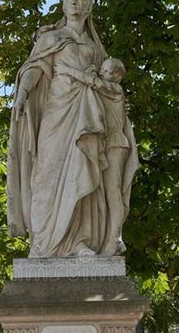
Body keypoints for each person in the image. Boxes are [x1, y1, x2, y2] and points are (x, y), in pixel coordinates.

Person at [7, 0, 139, 258]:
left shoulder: (95, 48)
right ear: (64, 3)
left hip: (88, 116)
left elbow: (109, 83)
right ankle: (43, 244)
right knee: (46, 175)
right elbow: (35, 69)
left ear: (90, 7)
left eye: (82, 0)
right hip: (57, 115)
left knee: (85, 172)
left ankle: (81, 241)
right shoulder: (50, 38)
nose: (76, 3)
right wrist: (22, 94)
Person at [53, 56, 138, 255]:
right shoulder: (101, 88)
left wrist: (67, 68)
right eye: (103, 69)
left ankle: (116, 236)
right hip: (103, 143)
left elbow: (94, 82)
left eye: (107, 71)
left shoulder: (115, 90)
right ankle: (102, 236)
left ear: (116, 77)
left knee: (112, 191)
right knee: (101, 193)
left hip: (115, 144)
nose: (102, 73)